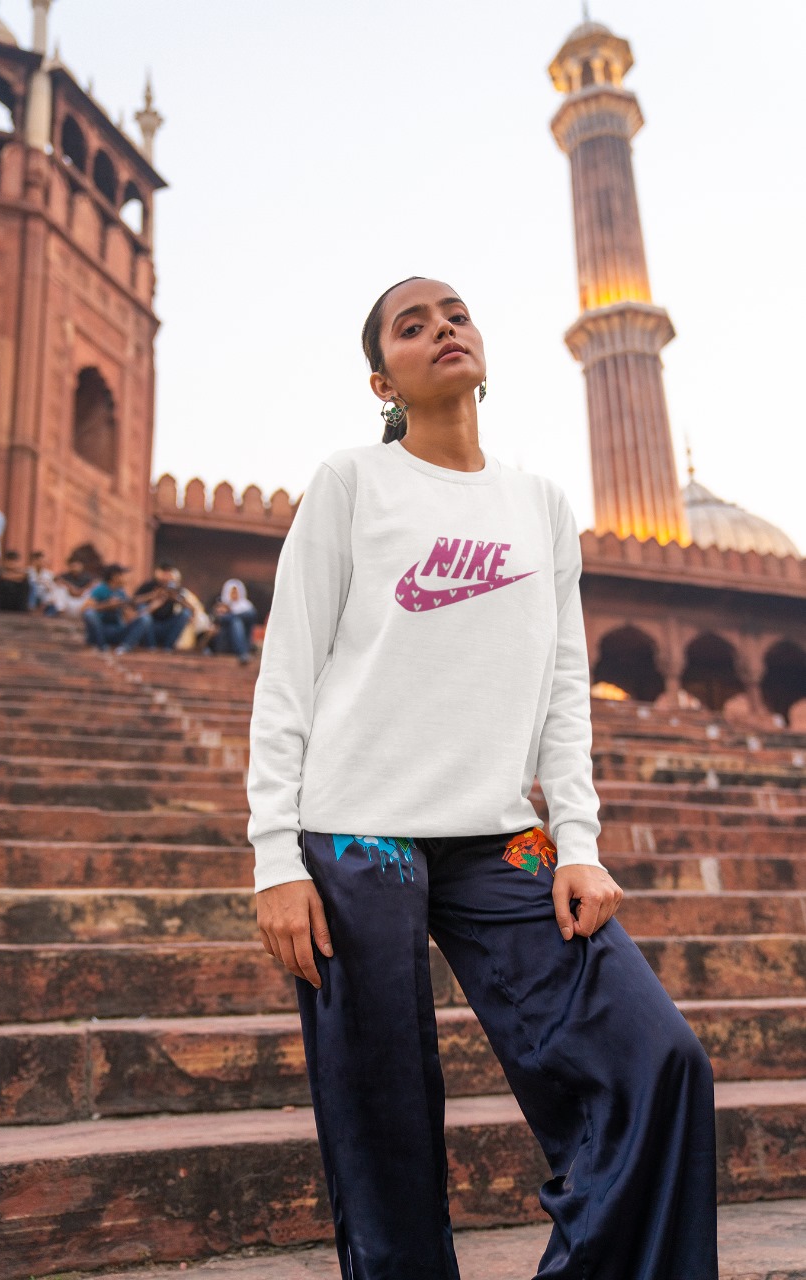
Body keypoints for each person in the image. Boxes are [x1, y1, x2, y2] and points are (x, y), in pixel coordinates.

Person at [246, 278, 718, 1280]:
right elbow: (287, 672)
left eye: (455, 313)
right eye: (412, 326)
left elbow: (562, 684)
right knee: (383, 1124)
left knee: (658, 1059)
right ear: (383, 381)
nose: (442, 330)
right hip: (355, 834)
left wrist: (579, 843)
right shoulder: (351, 482)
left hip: (496, 833)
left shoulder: (539, 504)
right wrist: (274, 859)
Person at [82, 564, 153, 654]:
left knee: (145, 618)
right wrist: (107, 605)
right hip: (100, 631)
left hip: (116, 630)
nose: (126, 578)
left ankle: (125, 647)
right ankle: (101, 646)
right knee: (89, 613)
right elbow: (84, 609)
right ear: (114, 576)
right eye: (122, 575)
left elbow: (130, 616)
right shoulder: (100, 589)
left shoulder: (120, 592)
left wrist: (151, 601)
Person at [133, 563, 192, 650]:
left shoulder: (174, 588)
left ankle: (167, 647)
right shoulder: (149, 585)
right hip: (150, 625)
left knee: (185, 613)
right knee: (144, 615)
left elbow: (191, 608)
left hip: (166, 625)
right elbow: (133, 601)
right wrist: (152, 599)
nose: (166, 577)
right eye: (164, 573)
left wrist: (176, 598)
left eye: (169, 573)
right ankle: (150, 647)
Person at [211, 578, 258, 663]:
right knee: (236, 621)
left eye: (236, 592)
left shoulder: (246, 606)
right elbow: (216, 620)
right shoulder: (221, 606)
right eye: (232, 592)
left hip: (244, 642)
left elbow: (251, 616)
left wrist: (230, 613)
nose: (234, 595)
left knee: (236, 621)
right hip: (224, 643)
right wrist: (224, 613)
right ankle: (242, 653)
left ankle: (242, 652)